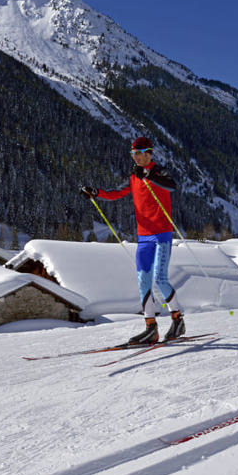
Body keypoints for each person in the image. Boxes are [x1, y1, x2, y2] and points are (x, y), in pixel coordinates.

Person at [80, 137, 184, 344]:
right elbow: (117, 194)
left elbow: (172, 186)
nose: (135, 157)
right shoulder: (134, 176)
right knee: (143, 280)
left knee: (160, 279)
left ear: (149, 153)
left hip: (162, 234)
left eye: (139, 153)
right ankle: (150, 328)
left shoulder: (158, 172)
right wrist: (96, 193)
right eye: (133, 154)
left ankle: (177, 319)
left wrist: (148, 175)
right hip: (143, 236)